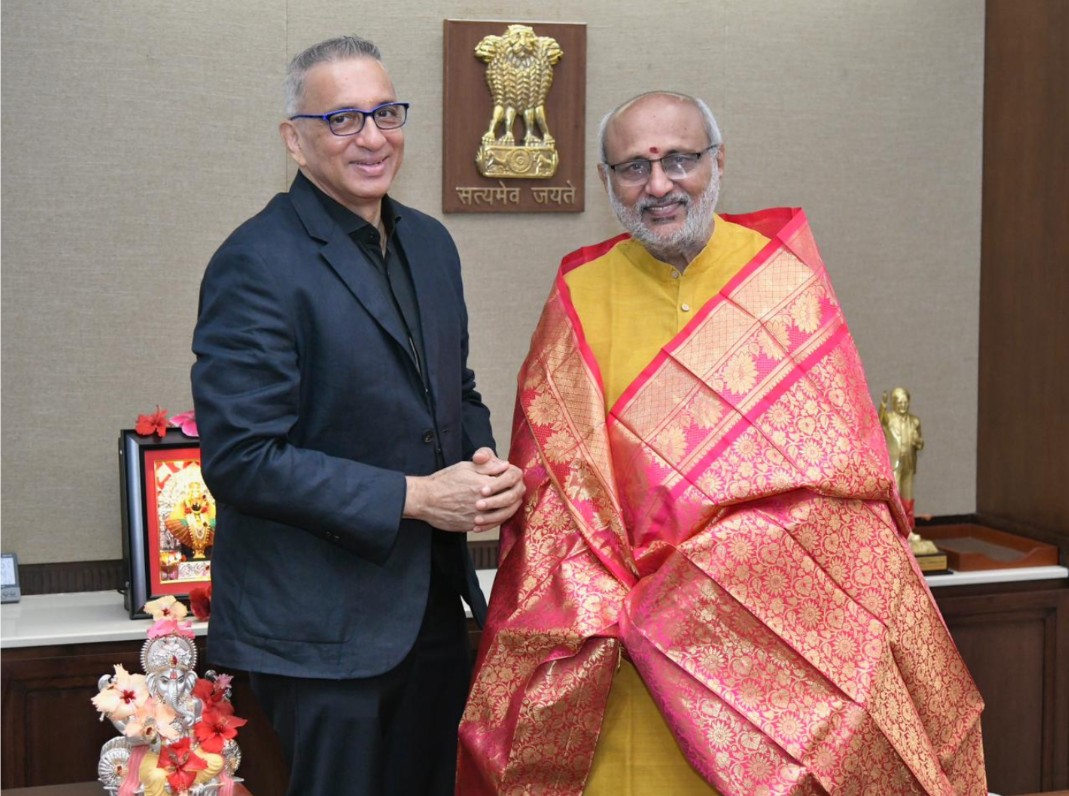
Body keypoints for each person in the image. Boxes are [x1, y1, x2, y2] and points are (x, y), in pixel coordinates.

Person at [457, 92, 986, 794]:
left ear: (718, 162)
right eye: (633, 168)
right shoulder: (579, 292)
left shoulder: (778, 280)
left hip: (775, 662)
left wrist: (708, 582)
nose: (658, 186)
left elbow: (839, 475)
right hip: (626, 658)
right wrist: (632, 600)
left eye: (679, 160)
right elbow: (553, 487)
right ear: (606, 179)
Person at [190, 34, 523, 796]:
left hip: (433, 612)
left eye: (386, 113)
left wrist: (484, 468)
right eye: (342, 119)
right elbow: (242, 458)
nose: (372, 138)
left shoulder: (430, 245)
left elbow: (454, 392)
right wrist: (416, 496)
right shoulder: (256, 261)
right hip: (319, 637)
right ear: (294, 139)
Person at [880, 386, 925, 523]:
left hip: (909, 463)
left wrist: (917, 441)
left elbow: (920, 444)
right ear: (894, 403)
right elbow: (880, 421)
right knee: (894, 494)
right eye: (899, 402)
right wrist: (883, 405)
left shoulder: (914, 421)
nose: (902, 405)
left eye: (905, 402)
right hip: (894, 463)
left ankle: (908, 527)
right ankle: (893, 526)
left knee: (907, 495)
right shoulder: (889, 418)